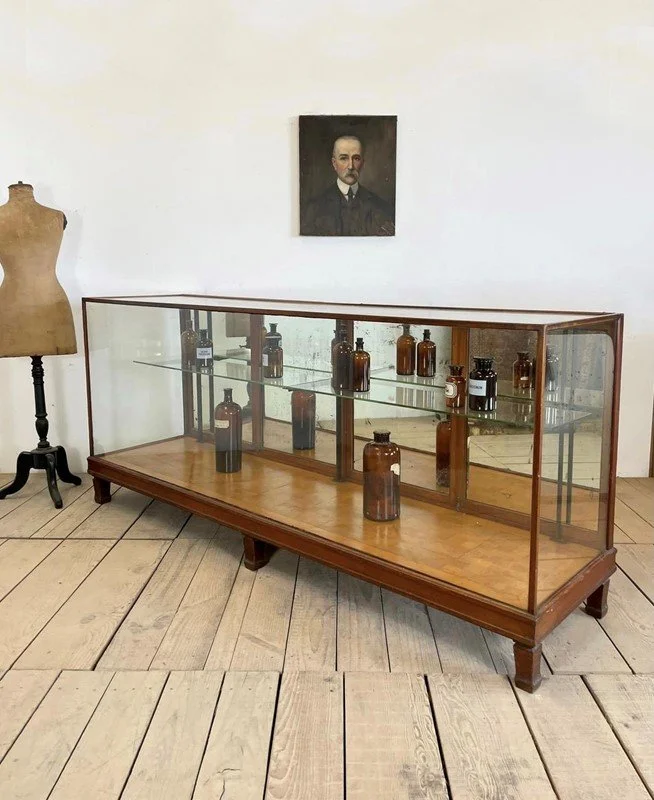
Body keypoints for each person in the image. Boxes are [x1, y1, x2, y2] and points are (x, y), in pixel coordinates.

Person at [301, 135, 395, 236]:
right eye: (343, 158)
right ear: (334, 163)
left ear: (362, 163)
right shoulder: (313, 208)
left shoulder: (381, 207)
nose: (350, 166)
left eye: (356, 158)